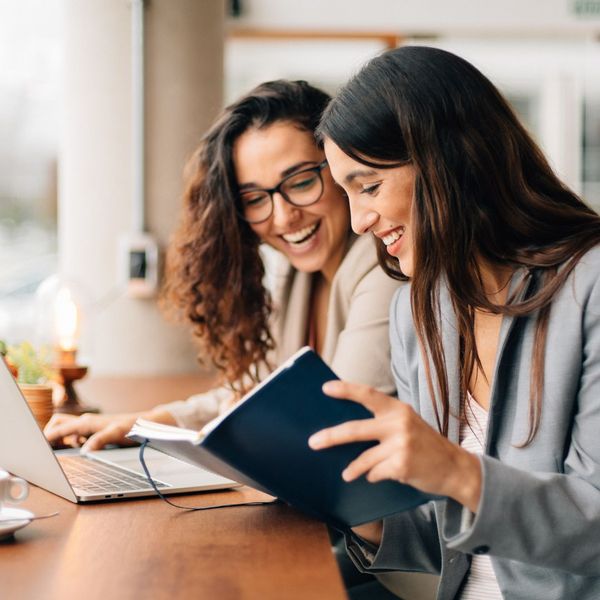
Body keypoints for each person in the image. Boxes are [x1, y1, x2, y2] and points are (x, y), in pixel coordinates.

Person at [309, 45, 600, 599]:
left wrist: (458, 471)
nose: (358, 220)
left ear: (451, 160)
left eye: (369, 187)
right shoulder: (418, 310)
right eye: (346, 194)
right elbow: (443, 537)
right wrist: (353, 508)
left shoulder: (591, 285)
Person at [45, 79, 399, 448]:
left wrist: (238, 422)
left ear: (341, 167)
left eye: (300, 182)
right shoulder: (298, 278)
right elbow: (250, 393)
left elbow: (336, 422)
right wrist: (141, 424)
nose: (282, 217)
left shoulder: (382, 266)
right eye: (254, 198)